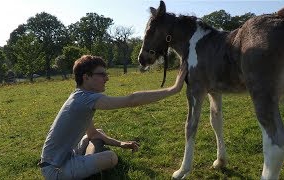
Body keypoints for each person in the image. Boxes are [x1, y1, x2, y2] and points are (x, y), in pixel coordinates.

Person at [39, 55, 187, 179]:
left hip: (61, 157)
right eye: (102, 74)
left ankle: (85, 160)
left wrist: (120, 143)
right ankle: (87, 163)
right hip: (56, 170)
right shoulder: (86, 98)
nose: (107, 78)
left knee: (98, 133)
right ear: (86, 77)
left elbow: (93, 133)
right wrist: (173, 89)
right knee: (111, 158)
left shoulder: (78, 96)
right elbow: (131, 100)